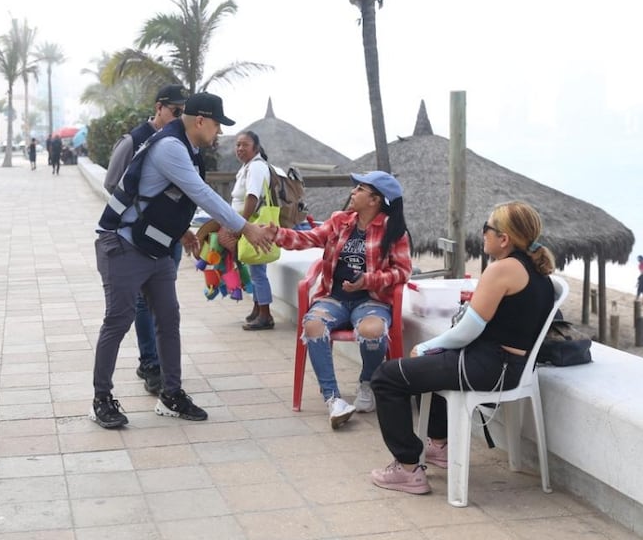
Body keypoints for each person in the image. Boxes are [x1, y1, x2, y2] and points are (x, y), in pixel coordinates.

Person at [90, 92, 273, 429]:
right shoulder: (171, 147)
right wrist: (247, 228)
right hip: (123, 244)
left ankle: (171, 395)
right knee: (118, 319)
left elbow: (167, 198)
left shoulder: (187, 148)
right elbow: (200, 192)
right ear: (200, 121)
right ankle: (101, 399)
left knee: (168, 317)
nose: (220, 132)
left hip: (156, 246)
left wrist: (183, 232)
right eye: (217, 124)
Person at [368, 201, 555, 495]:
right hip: (510, 367)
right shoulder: (535, 269)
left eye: (486, 228)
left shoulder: (502, 269)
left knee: (386, 377)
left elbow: (469, 330)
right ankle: (439, 445)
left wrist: (426, 346)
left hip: (491, 366)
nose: (482, 234)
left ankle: (407, 468)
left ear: (504, 238)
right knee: (434, 363)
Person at [267, 171, 411, 425]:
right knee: (313, 325)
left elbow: (403, 271)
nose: (353, 192)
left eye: (360, 189)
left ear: (375, 200)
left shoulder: (393, 231)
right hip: (334, 299)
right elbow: (308, 238)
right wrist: (276, 234)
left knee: (373, 330)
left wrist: (368, 280)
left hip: (372, 301)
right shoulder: (340, 221)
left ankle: (367, 383)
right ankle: (333, 399)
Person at [103, 84, 188, 394]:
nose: (180, 117)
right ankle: (149, 362)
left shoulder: (182, 143)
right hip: (138, 238)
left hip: (170, 237)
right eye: (176, 111)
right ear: (159, 107)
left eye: (184, 113)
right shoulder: (134, 140)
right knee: (140, 303)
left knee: (165, 306)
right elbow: (111, 182)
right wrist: (141, 209)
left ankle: (167, 368)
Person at [197, 130, 276, 330]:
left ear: (256, 148)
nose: (240, 148)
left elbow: (252, 197)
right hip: (248, 224)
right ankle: (258, 308)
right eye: (238, 145)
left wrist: (242, 226)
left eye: (245, 145)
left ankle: (265, 315)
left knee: (258, 271)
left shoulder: (256, 167)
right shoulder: (248, 167)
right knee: (254, 267)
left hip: (253, 225)